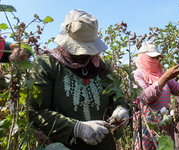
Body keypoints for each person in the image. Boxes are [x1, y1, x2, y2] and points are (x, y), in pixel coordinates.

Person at [28, 9, 130, 150]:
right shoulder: (46, 65)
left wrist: (121, 108)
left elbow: (116, 95)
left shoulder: (102, 66)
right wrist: (76, 128)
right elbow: (35, 112)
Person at [132, 43, 179, 150]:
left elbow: (178, 90)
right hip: (148, 129)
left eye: (157, 58)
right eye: (152, 58)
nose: (156, 60)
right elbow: (145, 98)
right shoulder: (137, 75)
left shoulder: (160, 74)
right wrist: (165, 77)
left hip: (165, 127)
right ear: (143, 57)